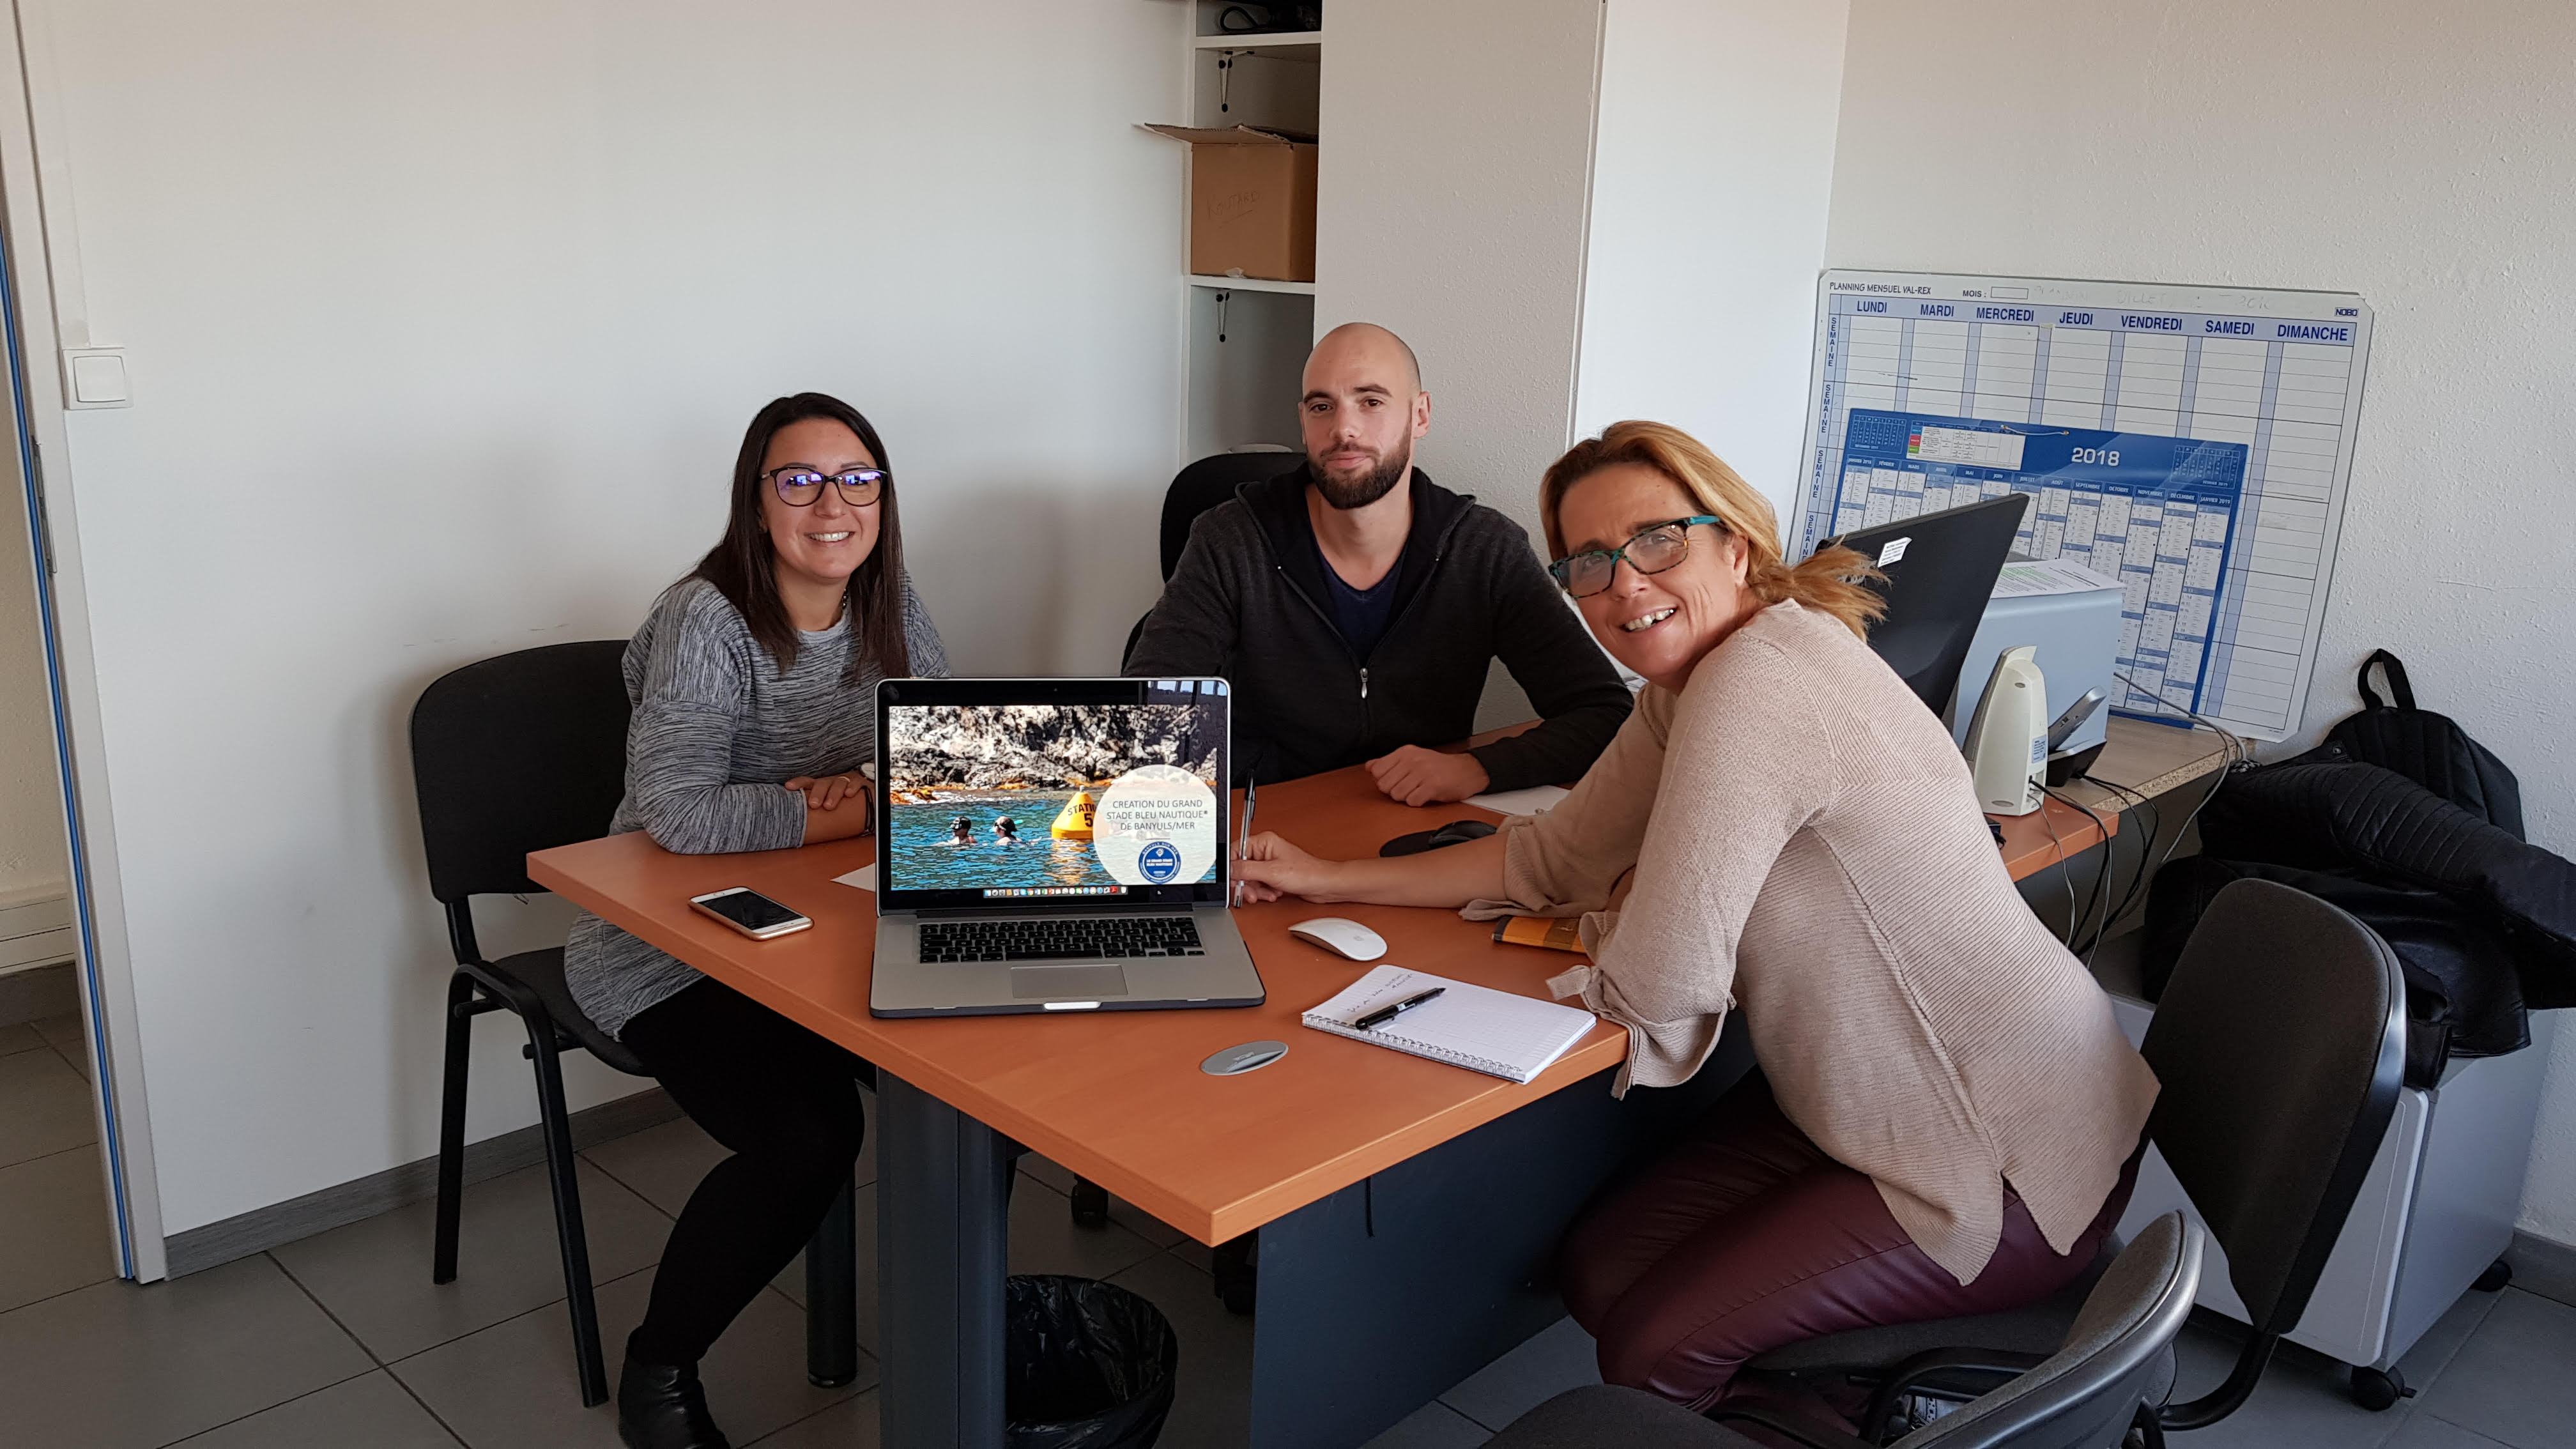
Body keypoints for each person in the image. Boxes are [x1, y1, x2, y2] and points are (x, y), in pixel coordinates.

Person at [1234, 420, 2158, 1418]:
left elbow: (1660, 984)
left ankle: (1821, 1419)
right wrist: (1326, 876)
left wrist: (1632, 909)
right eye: (1589, 562)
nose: (1624, 583)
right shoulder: (1694, 683)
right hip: (1869, 1105)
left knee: (1651, 1348)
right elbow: (1552, 858)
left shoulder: (1758, 682)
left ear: (1736, 544)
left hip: (2001, 1153)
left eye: (1657, 540)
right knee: (1599, 1269)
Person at [562, 392, 948, 1449]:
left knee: (974, 1080)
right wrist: (857, 801)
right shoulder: (709, 618)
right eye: (800, 479)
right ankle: (661, 1369)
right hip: (661, 949)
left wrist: (853, 794)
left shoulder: (890, 600)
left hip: (820, 923)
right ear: (757, 500)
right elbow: (678, 814)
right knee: (808, 1136)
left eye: (857, 478)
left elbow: (942, 754)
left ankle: (949, 1333)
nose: (834, 502)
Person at [1124, 323, 1632, 804]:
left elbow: (1602, 712)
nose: (1344, 429)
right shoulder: (1232, 540)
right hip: (1266, 817)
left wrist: (1479, 768)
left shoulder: (1483, 550)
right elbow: (1144, 715)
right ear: (1303, 421)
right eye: (1322, 406)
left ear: (1420, 415)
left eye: (1371, 402)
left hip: (1411, 819)